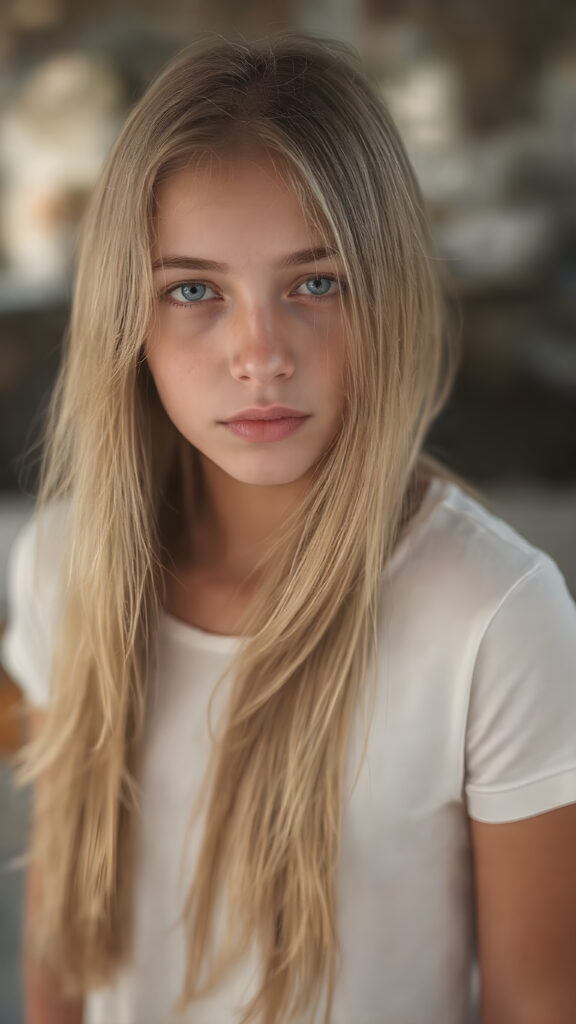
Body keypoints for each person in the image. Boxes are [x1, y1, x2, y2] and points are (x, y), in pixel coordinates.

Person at [2, 30, 576, 1024]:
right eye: (194, 291)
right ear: (126, 319)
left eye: (317, 282)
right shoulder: (63, 563)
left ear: (388, 295)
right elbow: (64, 939)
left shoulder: (497, 618)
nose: (260, 354)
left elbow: (538, 1004)